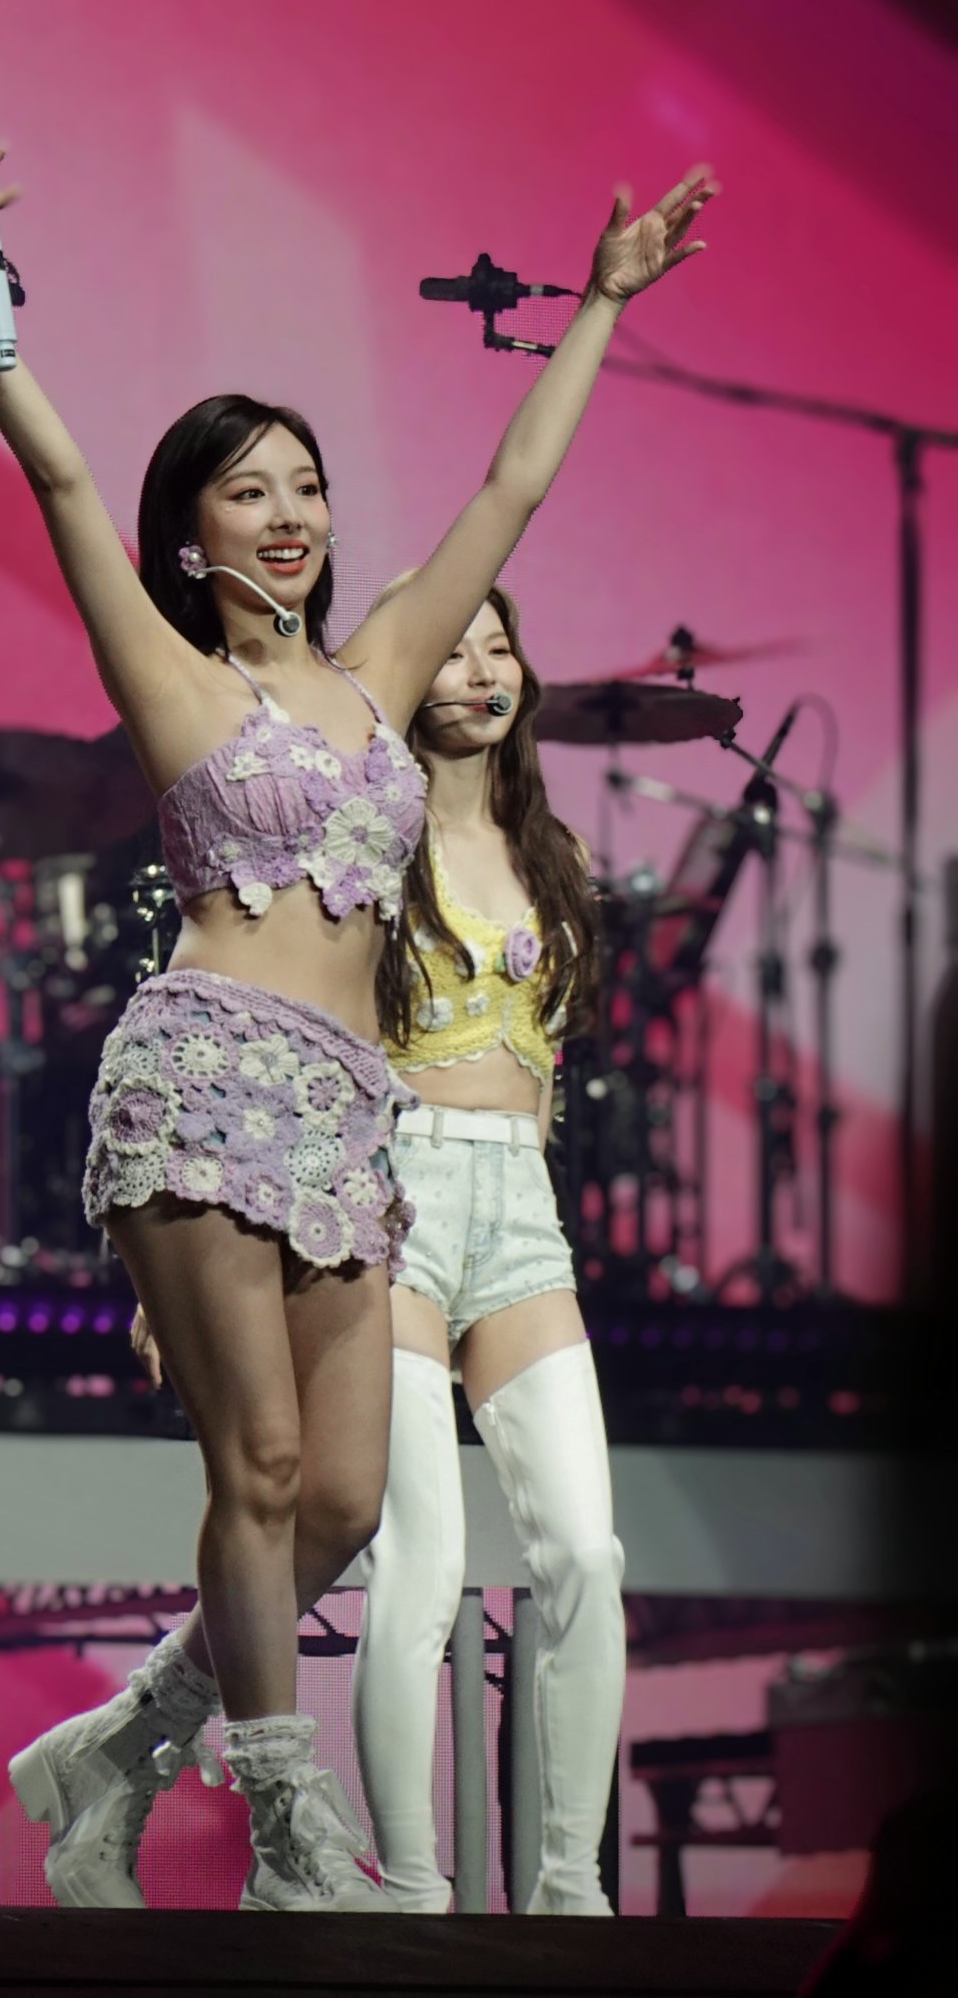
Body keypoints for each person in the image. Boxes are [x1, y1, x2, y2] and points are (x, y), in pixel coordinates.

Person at [0, 147, 715, 1911]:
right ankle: (292, 1839)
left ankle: (119, 1746)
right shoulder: (175, 678)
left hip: (352, 1120)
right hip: (203, 1082)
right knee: (266, 1465)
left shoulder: (381, 673)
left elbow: (513, 487)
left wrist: (601, 301)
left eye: (306, 484)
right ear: (191, 534)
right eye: (248, 489)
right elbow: (57, 470)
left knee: (350, 1501)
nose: (287, 512)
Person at [349, 582, 618, 1915]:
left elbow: (548, 1064)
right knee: (424, 1561)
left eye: (497, 644)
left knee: (586, 1555)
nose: (477, 669)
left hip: (519, 1205)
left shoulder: (550, 847)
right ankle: (411, 1886)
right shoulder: (366, 835)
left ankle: (570, 1888)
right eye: (449, 649)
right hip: (395, 1193)